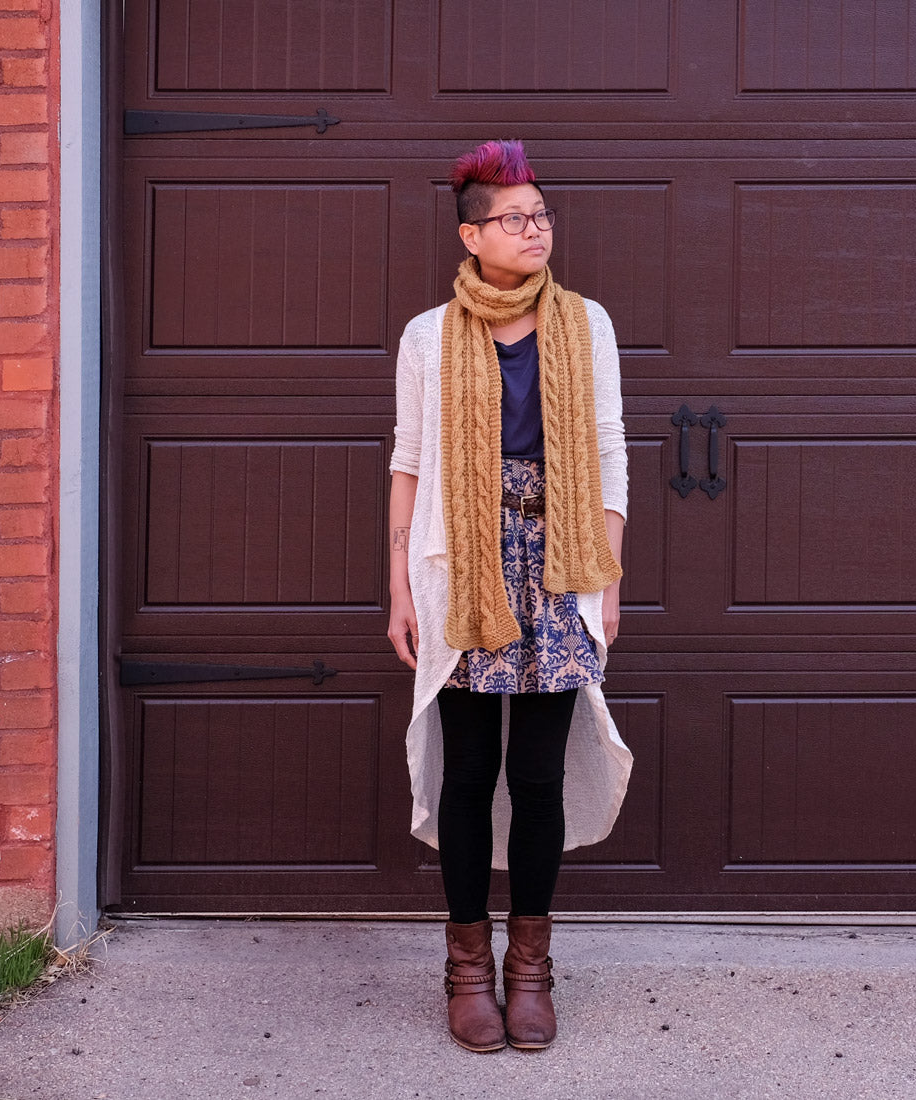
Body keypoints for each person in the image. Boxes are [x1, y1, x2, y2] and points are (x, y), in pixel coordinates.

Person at [386, 139, 632, 1053]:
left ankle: (528, 968)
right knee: (465, 772)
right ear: (471, 235)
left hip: (559, 561)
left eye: (542, 216)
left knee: (535, 774)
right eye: (516, 219)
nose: (536, 231)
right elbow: (409, 462)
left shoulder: (585, 323)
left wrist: (603, 575)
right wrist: (399, 585)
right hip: (463, 564)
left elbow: (607, 450)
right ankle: (464, 967)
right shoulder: (429, 335)